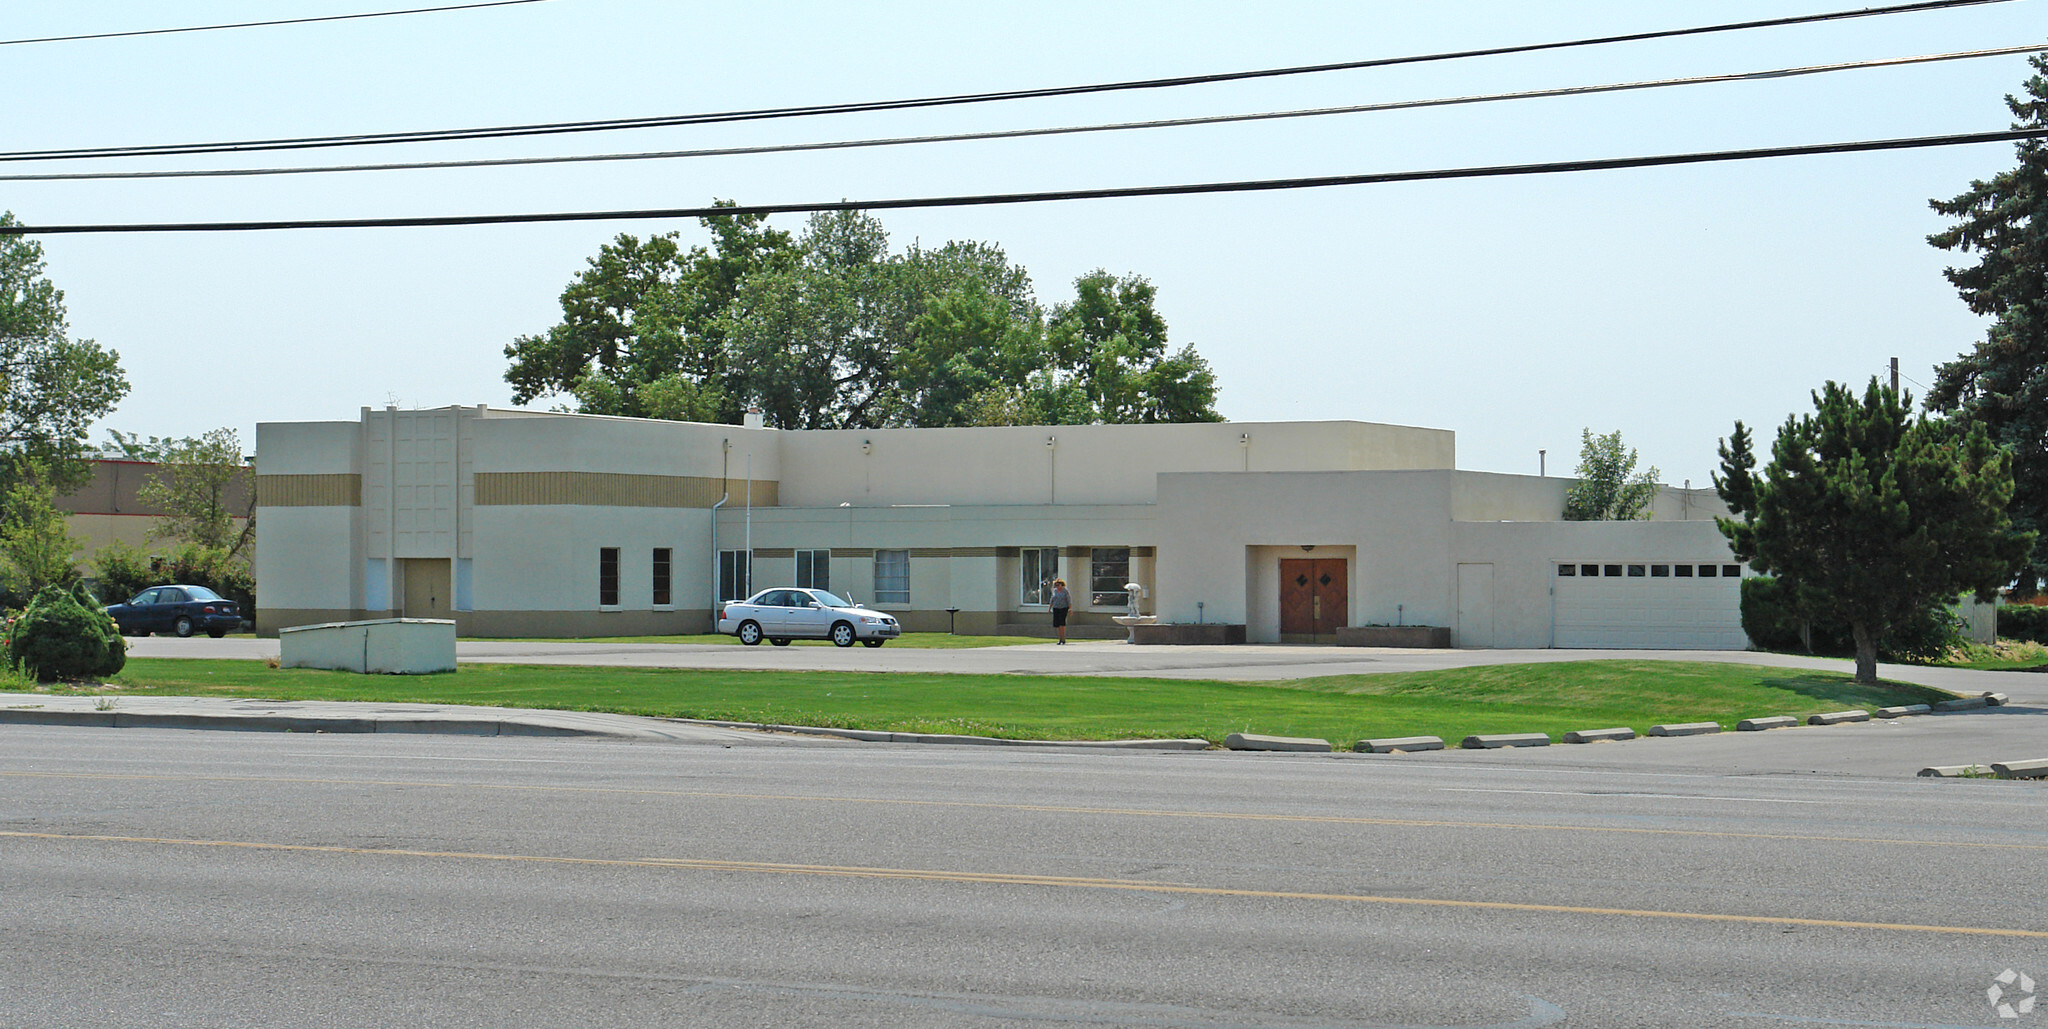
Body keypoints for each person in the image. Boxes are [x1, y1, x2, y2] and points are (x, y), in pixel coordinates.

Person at [1049, 578, 1071, 645]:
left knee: (1062, 624)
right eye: (1056, 585)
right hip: (1056, 608)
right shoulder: (1055, 591)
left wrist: (1070, 609)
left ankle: (1063, 639)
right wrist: (1050, 608)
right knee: (1057, 624)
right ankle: (1060, 639)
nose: (1057, 587)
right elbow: (1052, 599)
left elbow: (1069, 600)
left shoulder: (1065, 591)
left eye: (1058, 585)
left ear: (1061, 585)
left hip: (1063, 608)